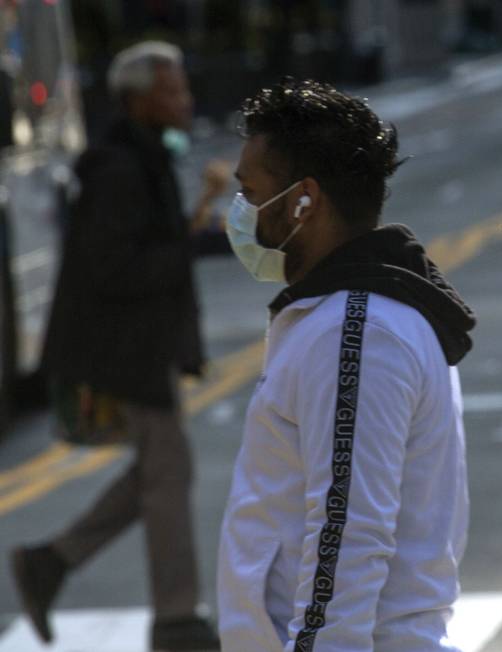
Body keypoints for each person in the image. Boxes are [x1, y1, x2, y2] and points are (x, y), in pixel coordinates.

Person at [216, 78, 475, 651]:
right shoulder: (344, 320)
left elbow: (348, 533)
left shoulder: (356, 334)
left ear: (303, 200)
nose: (241, 214)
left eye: (251, 192)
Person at [8, 42, 230, 651]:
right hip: (124, 349)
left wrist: (208, 233)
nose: (185, 100)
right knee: (168, 471)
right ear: (139, 99)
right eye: (173, 90)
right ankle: (176, 619)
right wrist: (189, 241)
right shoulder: (119, 170)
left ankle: (51, 561)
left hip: (139, 345)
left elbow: (152, 249)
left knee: (162, 470)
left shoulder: (143, 158)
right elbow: (117, 269)